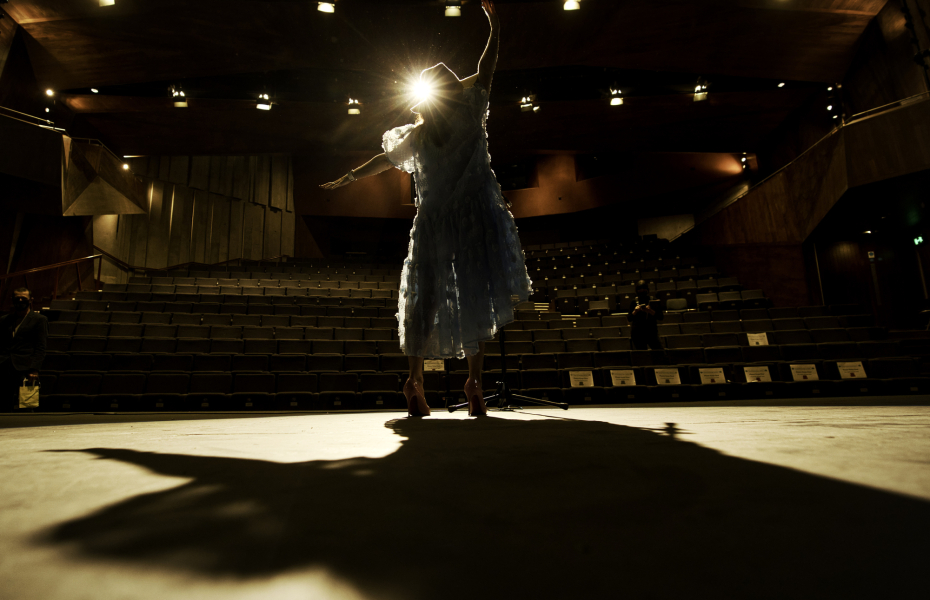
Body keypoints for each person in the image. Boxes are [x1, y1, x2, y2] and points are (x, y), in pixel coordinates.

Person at [321, 0, 532, 417]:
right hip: (473, 219)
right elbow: (486, 68)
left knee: (425, 300)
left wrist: (349, 176)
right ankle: (474, 383)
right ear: (455, 88)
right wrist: (495, 27)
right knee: (476, 296)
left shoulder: (418, 135)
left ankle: (415, 382)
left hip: (434, 223)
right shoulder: (472, 111)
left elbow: (384, 160)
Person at [0, 287, 48, 411]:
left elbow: (40, 347)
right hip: (4, 366)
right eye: (17, 298)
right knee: (4, 404)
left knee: (26, 406)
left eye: (24, 298)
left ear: (30, 300)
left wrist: (34, 369)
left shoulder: (39, 320)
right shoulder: (4, 320)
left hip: (25, 367)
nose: (20, 300)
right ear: (12, 300)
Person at [627, 280, 664, 351]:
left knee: (659, 352)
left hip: (651, 332)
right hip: (638, 333)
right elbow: (629, 318)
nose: (642, 291)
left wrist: (650, 311)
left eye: (644, 289)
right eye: (640, 289)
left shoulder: (653, 300)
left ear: (647, 290)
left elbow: (660, 317)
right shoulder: (634, 302)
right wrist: (635, 311)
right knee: (643, 356)